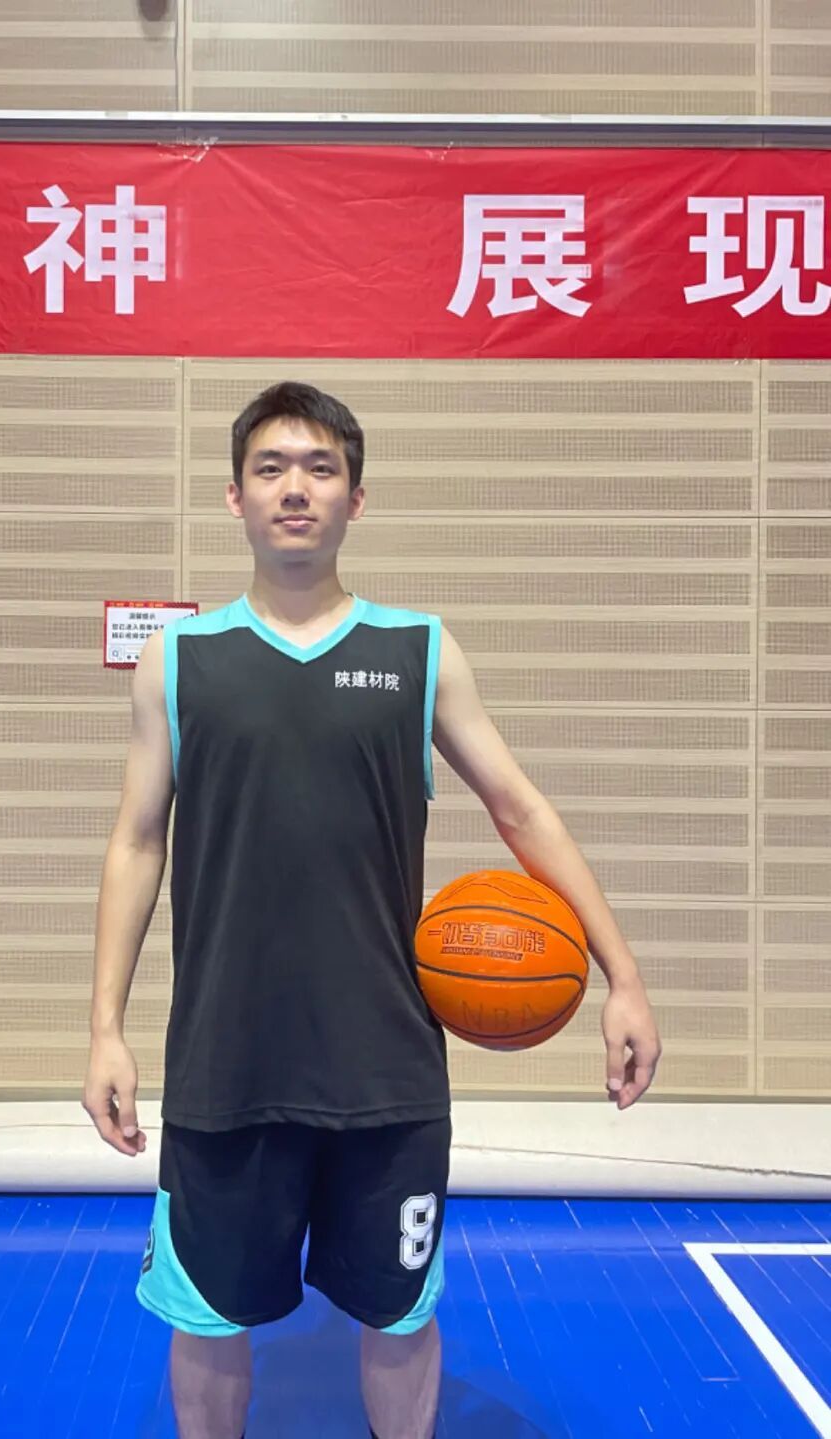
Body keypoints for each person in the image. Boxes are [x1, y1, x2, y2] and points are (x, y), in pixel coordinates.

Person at [83, 381, 662, 1439]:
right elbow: (136, 841)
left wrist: (623, 975)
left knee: (401, 1316)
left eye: (321, 468)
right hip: (226, 1061)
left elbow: (521, 807)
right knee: (205, 1320)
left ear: (357, 498)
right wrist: (104, 1029)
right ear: (234, 496)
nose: (295, 488)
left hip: (386, 1067)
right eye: (270, 468)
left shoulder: (418, 649)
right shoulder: (180, 658)